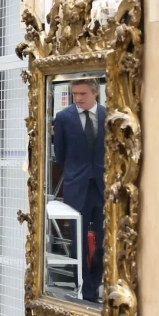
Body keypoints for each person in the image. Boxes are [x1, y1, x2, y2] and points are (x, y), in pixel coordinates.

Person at [53, 78, 106, 303]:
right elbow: (60, 154)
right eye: (75, 93)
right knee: (79, 241)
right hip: (76, 187)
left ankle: (94, 284)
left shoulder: (108, 116)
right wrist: (76, 173)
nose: (78, 98)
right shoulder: (64, 118)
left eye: (83, 93)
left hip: (102, 188)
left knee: (104, 241)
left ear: (95, 92)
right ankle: (84, 289)